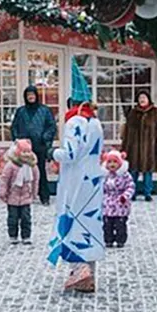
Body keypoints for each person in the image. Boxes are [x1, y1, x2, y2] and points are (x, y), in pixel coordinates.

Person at [48, 60, 105, 293]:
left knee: (73, 221)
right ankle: (89, 275)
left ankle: (79, 270)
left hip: (76, 180)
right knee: (89, 223)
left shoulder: (75, 122)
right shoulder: (96, 122)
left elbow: (70, 153)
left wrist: (53, 153)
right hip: (93, 179)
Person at [11, 85, 57, 205]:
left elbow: (51, 126)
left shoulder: (44, 110)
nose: (31, 97)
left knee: (40, 171)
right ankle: (24, 196)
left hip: (39, 145)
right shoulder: (20, 111)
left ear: (36, 96)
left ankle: (44, 196)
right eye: (28, 95)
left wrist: (45, 137)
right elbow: (14, 126)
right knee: (22, 172)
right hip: (24, 146)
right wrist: (17, 140)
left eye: (32, 94)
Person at [121, 90, 157, 202]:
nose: (142, 99)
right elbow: (126, 132)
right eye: (140, 97)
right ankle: (132, 192)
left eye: (144, 97)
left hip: (149, 149)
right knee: (133, 171)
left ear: (148, 99)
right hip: (134, 148)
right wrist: (124, 148)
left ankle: (147, 193)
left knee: (148, 172)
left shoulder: (156, 113)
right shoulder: (132, 113)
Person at [0, 139, 39, 245]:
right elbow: (5, 179)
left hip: (26, 196)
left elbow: (35, 181)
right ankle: (13, 235)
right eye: (24, 152)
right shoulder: (11, 165)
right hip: (13, 196)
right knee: (13, 218)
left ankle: (26, 235)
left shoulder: (32, 166)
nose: (26, 154)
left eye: (28, 152)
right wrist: (2, 192)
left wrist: (34, 193)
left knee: (26, 217)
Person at [102, 149, 135, 248]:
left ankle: (121, 240)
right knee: (107, 224)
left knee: (120, 224)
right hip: (107, 203)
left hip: (120, 204)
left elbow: (130, 186)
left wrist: (125, 196)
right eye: (110, 162)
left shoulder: (125, 175)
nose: (112, 164)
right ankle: (108, 239)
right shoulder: (104, 176)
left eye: (115, 162)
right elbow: (100, 188)